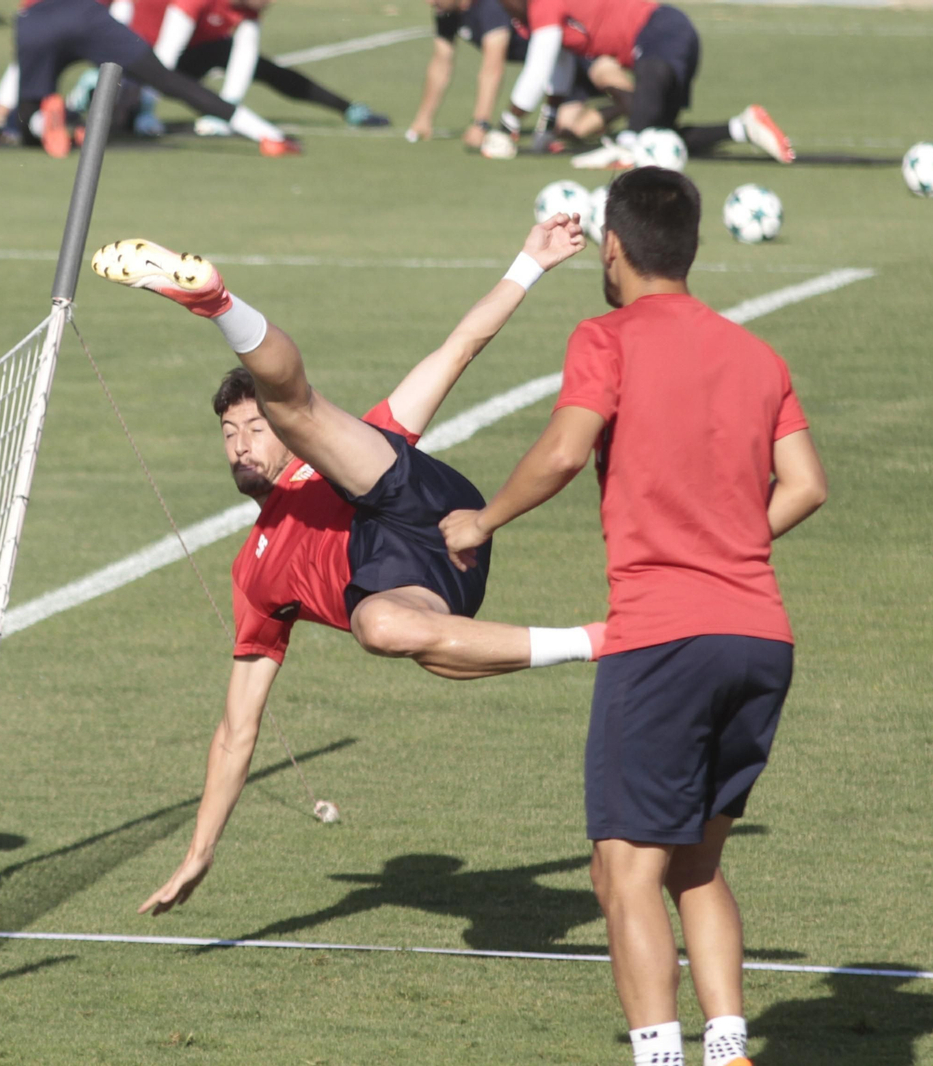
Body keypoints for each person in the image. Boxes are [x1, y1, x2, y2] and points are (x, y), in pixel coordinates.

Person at [89, 217, 607, 916]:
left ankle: (217, 304)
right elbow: (237, 728)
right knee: (387, 633)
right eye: (229, 432)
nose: (242, 444)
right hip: (418, 582)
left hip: (416, 501)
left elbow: (458, 350)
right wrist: (199, 851)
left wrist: (530, 262)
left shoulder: (327, 450)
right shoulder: (255, 575)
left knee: (302, 410)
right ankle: (602, 639)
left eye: (255, 429)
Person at [441, 167, 828, 1066]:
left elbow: (569, 449)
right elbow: (806, 485)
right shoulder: (756, 355)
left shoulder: (606, 337)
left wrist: (484, 517)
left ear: (611, 249)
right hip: (759, 637)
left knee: (624, 867)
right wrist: (730, 542)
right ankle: (728, 1047)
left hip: (663, 639)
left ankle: (659, 1057)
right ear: (690, 247)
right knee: (695, 862)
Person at [493, 0, 795, 169]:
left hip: (661, 31)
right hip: (668, 41)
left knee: (638, 141)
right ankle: (742, 127)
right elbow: (557, 69)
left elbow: (537, 69)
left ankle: (625, 145)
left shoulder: (542, 5)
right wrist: (545, 130)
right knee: (659, 140)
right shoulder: (534, 16)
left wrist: (507, 128)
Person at [12, 0, 299, 158]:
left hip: (35, 20)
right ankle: (266, 135)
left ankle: (42, 122)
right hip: (89, 17)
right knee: (169, 80)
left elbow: (14, 70)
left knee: (26, 114)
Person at [131, 0, 391, 137]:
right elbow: (165, 55)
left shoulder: (249, 10)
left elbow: (246, 58)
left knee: (267, 69)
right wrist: (147, 111)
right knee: (122, 112)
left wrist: (225, 113)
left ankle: (349, 110)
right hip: (139, 59)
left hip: (194, 54)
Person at [406, 0, 631, 152]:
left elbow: (492, 68)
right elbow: (441, 62)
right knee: (570, 128)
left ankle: (641, 109)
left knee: (606, 75)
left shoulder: (490, 7)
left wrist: (482, 124)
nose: (429, 1)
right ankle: (630, 108)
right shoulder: (446, 11)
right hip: (559, 64)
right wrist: (423, 119)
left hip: (579, 54)